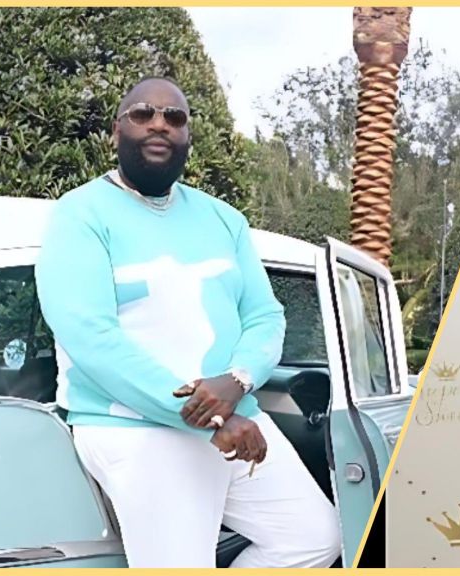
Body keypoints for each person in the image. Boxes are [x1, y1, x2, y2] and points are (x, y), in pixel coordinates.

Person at [35, 77, 341, 568]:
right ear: (116, 131)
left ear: (187, 136)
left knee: (313, 538)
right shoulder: (79, 215)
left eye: (174, 118)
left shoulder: (224, 219)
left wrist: (238, 380)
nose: (159, 124)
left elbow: (265, 315)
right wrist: (212, 416)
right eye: (143, 114)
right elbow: (90, 337)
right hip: (137, 428)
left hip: (236, 414)